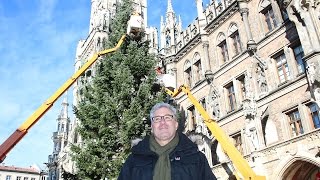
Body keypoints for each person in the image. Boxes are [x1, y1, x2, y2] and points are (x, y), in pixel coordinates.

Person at [118, 102, 217, 180]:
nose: (162, 122)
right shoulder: (134, 160)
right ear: (152, 127)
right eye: (157, 119)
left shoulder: (196, 158)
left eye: (167, 118)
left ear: (176, 124)